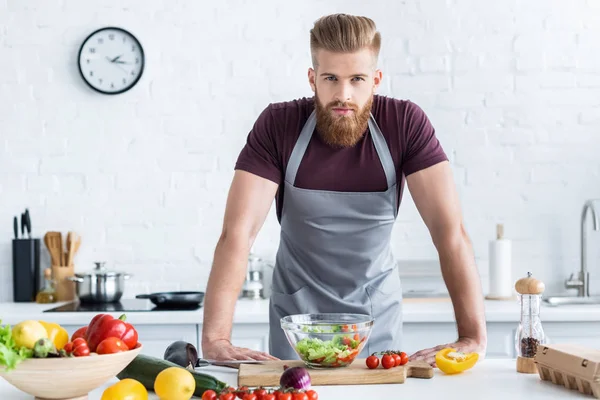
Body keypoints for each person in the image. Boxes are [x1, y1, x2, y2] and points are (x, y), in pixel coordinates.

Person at [201, 13, 487, 366]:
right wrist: (215, 339)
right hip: (297, 326)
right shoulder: (278, 126)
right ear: (312, 79)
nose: (343, 95)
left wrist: (472, 336)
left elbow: (450, 234)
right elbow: (237, 235)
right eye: (331, 78)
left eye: (357, 79)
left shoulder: (405, 124)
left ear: (376, 79)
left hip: (377, 325)